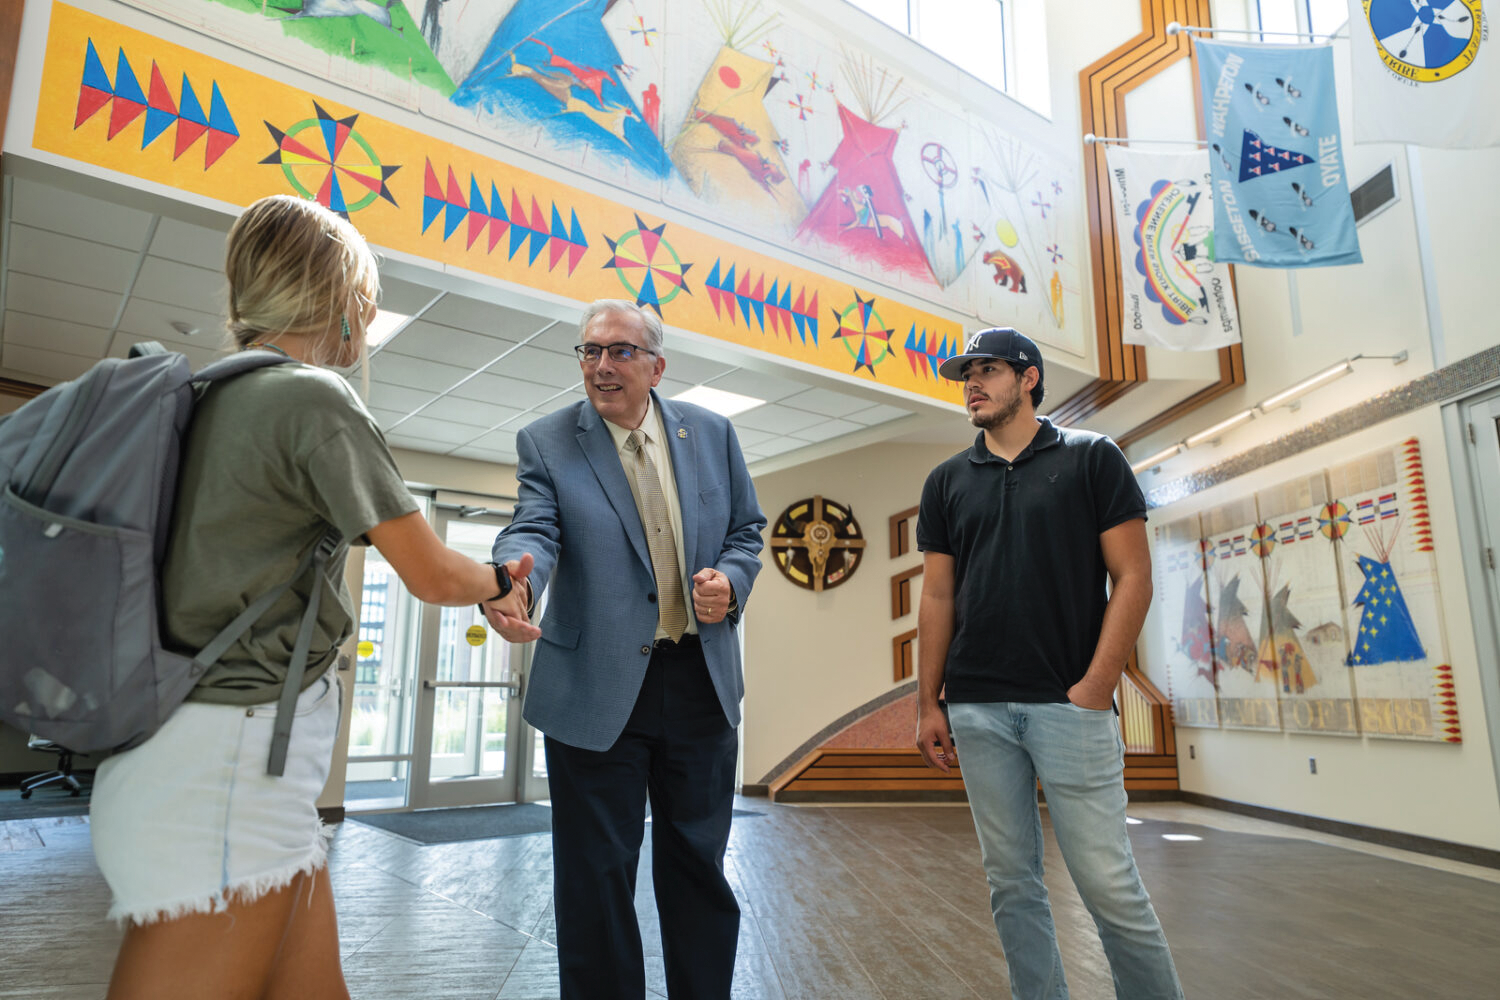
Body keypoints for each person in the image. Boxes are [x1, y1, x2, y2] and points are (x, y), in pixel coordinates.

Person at [88, 194, 537, 1000]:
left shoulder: (212, 397)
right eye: (364, 299)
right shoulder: (310, 398)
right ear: (342, 301)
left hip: (211, 756)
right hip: (231, 761)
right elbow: (430, 571)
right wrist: (501, 582)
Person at [483, 299, 765, 1000]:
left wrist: (729, 582)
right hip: (595, 687)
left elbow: (747, 532)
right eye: (588, 352)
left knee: (698, 864)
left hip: (698, 682)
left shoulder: (712, 433)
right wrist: (512, 583)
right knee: (596, 876)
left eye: (618, 352)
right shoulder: (548, 441)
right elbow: (533, 531)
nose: (601, 366)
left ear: (656, 366)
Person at [914, 327, 1184, 1000]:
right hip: (976, 708)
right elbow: (939, 594)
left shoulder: (1093, 459)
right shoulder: (946, 481)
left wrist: (1095, 687)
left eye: (988, 370)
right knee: (1011, 883)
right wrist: (928, 702)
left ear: (1029, 378)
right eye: (966, 374)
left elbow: (1133, 578)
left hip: (1071, 707)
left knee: (1108, 885)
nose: (971, 383)